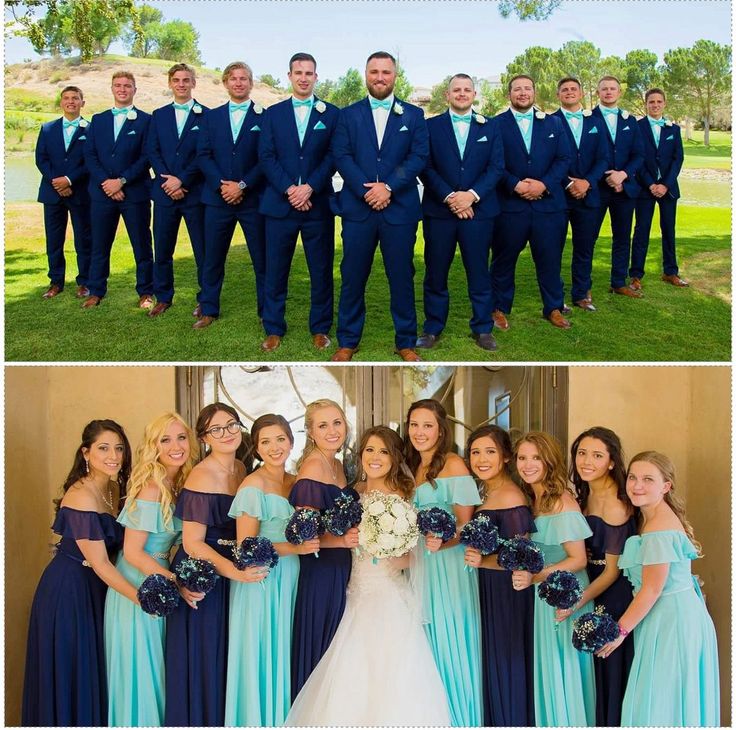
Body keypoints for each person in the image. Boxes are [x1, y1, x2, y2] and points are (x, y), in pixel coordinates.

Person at [286, 426, 451, 726]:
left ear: (394, 457)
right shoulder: (352, 493)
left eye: (383, 451)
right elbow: (331, 537)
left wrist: (386, 544)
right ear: (360, 455)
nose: (375, 457)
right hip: (352, 589)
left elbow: (410, 559)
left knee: (392, 672)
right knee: (349, 671)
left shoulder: (404, 495)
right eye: (369, 450)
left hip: (387, 590)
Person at [22, 420, 135, 726]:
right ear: (86, 453)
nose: (113, 455)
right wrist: (143, 599)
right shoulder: (81, 495)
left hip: (97, 588)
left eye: (119, 448)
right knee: (74, 670)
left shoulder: (113, 489)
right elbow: (100, 563)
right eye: (103, 448)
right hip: (70, 591)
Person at [597, 452, 719, 726]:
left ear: (666, 486)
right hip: (670, 616)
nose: (637, 485)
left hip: (671, 622)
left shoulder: (658, 528)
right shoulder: (653, 517)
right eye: (632, 477)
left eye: (648, 479)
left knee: (660, 703)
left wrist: (619, 633)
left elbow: (651, 590)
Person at [164, 403, 265, 726]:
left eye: (232, 424)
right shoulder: (201, 474)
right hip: (204, 574)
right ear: (205, 437)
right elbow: (192, 542)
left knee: (226, 657)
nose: (227, 433)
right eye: (216, 429)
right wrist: (234, 571)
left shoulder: (242, 468)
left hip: (230, 571)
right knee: (204, 658)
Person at [330, 51, 429, 362]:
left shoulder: (413, 115)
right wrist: (366, 190)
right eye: (374, 72)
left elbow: (418, 157)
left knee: (401, 276)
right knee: (352, 275)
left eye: (386, 72)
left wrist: (388, 187)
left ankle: (405, 342)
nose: (380, 77)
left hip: (399, 209)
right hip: (358, 210)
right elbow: (342, 156)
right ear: (366, 75)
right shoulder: (347, 115)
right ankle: (348, 340)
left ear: (395, 76)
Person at [104, 412, 200, 726]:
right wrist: (176, 582)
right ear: (153, 446)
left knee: (158, 669)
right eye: (166, 439)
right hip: (138, 585)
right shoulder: (151, 488)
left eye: (181, 437)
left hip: (159, 581)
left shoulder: (182, 482)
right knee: (141, 671)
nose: (176, 446)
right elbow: (132, 552)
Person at [225, 414, 317, 726]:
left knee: (285, 654)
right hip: (261, 580)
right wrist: (296, 549)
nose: (274, 447)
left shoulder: (296, 482)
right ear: (256, 448)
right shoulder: (253, 486)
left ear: (291, 442)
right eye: (265, 441)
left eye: (280, 439)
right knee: (260, 654)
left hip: (291, 579)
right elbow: (246, 546)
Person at [405, 399, 483, 727]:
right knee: (426, 648)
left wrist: (444, 540)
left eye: (427, 425)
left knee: (452, 645)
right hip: (418, 566)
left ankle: (461, 719)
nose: (419, 432)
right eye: (414, 425)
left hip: (449, 566)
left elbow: (468, 525)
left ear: (440, 430)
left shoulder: (453, 465)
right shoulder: (410, 467)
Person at [511, 431, 595, 727]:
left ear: (549, 462)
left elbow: (578, 559)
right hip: (543, 592)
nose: (528, 464)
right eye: (522, 457)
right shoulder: (529, 500)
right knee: (549, 669)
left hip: (565, 594)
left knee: (563, 670)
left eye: (536, 458)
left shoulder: (561, 501)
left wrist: (535, 576)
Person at [259, 53, 339, 353]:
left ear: (316, 77)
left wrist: (310, 188)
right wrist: (290, 189)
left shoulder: (331, 115)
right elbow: (266, 156)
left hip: (317, 205)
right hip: (280, 205)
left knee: (320, 269)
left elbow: (334, 155)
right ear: (289, 76)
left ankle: (320, 328)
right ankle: (274, 327)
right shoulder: (272, 114)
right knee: (275, 269)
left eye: (309, 73)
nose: (304, 77)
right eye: (298, 72)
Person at [418, 74, 504, 352]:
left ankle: (482, 328)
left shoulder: (490, 127)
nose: (462, 94)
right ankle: (432, 327)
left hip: (478, 213)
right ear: (447, 95)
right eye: (457, 90)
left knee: (479, 272)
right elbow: (425, 166)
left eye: (467, 90)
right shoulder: (430, 127)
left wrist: (471, 196)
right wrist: (451, 197)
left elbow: (496, 167)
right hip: (440, 212)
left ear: (474, 94)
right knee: (436, 272)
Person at [561, 426, 635, 726]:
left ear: (612, 462)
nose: (586, 461)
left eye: (597, 455)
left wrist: (578, 601)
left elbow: (612, 572)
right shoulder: (581, 496)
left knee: (608, 666)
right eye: (581, 453)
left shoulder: (617, 505)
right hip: (586, 583)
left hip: (611, 594)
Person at [463, 425, 535, 727]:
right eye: (475, 452)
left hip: (508, 594)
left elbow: (523, 559)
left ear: (506, 457)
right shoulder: (488, 492)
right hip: (491, 590)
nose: (481, 459)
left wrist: (483, 562)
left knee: (506, 662)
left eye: (490, 452)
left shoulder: (511, 498)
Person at [288, 399, 360, 699]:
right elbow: (306, 536)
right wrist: (341, 541)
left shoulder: (339, 465)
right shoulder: (313, 468)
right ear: (311, 432)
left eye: (337, 422)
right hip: (319, 573)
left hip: (341, 569)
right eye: (322, 425)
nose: (332, 431)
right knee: (321, 645)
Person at [490, 75, 572, 331]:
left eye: (527, 88)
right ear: (509, 94)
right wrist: (515, 184)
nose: (523, 93)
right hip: (509, 206)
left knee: (550, 259)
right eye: (517, 89)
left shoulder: (554, 123)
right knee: (503, 261)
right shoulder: (495, 125)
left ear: (534, 92)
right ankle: (499, 308)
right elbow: (493, 163)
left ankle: (553, 307)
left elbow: (563, 159)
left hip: (548, 207)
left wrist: (543, 185)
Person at [193, 61, 266, 330]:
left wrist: (243, 185)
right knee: (212, 257)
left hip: (253, 200)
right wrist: (221, 185)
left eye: (244, 78)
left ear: (250, 83)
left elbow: (266, 158)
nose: (239, 83)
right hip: (217, 199)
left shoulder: (263, 116)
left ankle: (265, 312)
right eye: (234, 78)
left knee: (262, 259)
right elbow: (203, 155)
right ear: (225, 83)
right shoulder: (211, 117)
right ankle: (209, 308)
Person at [82, 71, 154, 309]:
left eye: (127, 86)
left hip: (135, 194)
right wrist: (107, 183)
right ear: (112, 89)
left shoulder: (146, 120)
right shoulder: (98, 119)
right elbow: (90, 156)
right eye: (118, 85)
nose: (122, 89)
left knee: (142, 245)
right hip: (102, 194)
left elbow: (147, 156)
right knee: (100, 245)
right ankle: (96, 290)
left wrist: (121, 181)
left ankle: (145, 292)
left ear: (135, 90)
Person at [146, 64, 209, 318]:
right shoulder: (158, 115)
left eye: (186, 80)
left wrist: (182, 180)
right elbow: (152, 150)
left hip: (195, 193)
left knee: (203, 250)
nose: (181, 84)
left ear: (194, 83)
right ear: (170, 83)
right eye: (176, 80)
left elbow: (204, 154)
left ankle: (206, 298)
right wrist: (168, 182)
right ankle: (163, 296)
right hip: (164, 194)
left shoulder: (206, 115)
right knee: (162, 249)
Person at [553, 77, 609, 312]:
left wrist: (587, 182)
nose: (569, 92)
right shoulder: (550, 122)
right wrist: (568, 183)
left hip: (589, 194)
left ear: (581, 93)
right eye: (564, 90)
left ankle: (581, 293)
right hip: (558, 196)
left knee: (585, 247)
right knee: (553, 248)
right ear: (558, 95)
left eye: (573, 89)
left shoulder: (596, 122)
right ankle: (556, 297)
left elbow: (603, 157)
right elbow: (549, 158)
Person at [35, 85, 92, 300]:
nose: (71, 101)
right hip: (52, 193)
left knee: (83, 239)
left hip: (80, 193)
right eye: (67, 98)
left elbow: (91, 161)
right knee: (54, 240)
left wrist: (69, 180)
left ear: (82, 103)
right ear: (61, 103)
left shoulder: (90, 129)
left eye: (75, 98)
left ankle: (85, 281)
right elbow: (41, 159)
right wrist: (57, 182)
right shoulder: (47, 128)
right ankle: (56, 282)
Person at [592, 76, 645, 298]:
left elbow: (639, 154)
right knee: (588, 238)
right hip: (596, 188)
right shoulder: (588, 119)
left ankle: (618, 282)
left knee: (622, 237)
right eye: (604, 89)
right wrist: (606, 177)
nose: (608, 92)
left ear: (619, 92)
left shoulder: (629, 121)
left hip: (624, 189)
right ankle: (583, 287)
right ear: (598, 93)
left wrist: (622, 175)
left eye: (613, 88)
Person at [630, 88, 688, 289]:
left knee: (668, 230)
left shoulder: (674, 129)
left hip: (668, 189)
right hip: (644, 188)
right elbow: (637, 158)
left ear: (664, 104)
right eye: (651, 102)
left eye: (659, 101)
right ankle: (636, 275)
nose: (655, 105)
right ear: (646, 104)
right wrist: (651, 184)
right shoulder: (637, 127)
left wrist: (665, 184)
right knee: (641, 230)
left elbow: (677, 158)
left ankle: (670, 272)